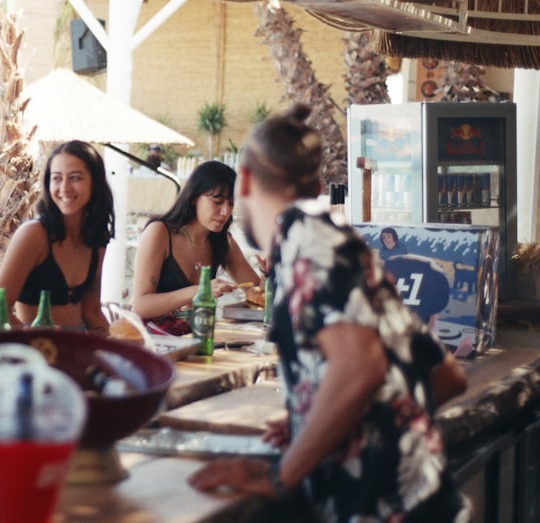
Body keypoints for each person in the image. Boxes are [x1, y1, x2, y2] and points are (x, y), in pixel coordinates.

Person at [188, 104, 470, 522]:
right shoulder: (343, 243)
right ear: (316, 184)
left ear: (244, 179)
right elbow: (444, 375)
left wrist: (282, 475)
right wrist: (317, 421)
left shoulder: (304, 242)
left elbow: (361, 369)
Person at [0, 140, 113, 334]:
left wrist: (124, 352)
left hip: (79, 349)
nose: (64, 188)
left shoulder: (96, 238)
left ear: (95, 183)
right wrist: (36, 343)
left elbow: (92, 312)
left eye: (75, 178)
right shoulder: (34, 235)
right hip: (37, 350)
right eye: (56, 178)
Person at [131, 160, 260, 335]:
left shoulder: (223, 241)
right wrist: (200, 290)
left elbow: (255, 291)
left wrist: (268, 272)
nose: (226, 212)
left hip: (198, 342)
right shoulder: (160, 233)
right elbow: (140, 305)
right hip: (153, 346)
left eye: (231, 204)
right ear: (193, 197)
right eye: (218, 201)